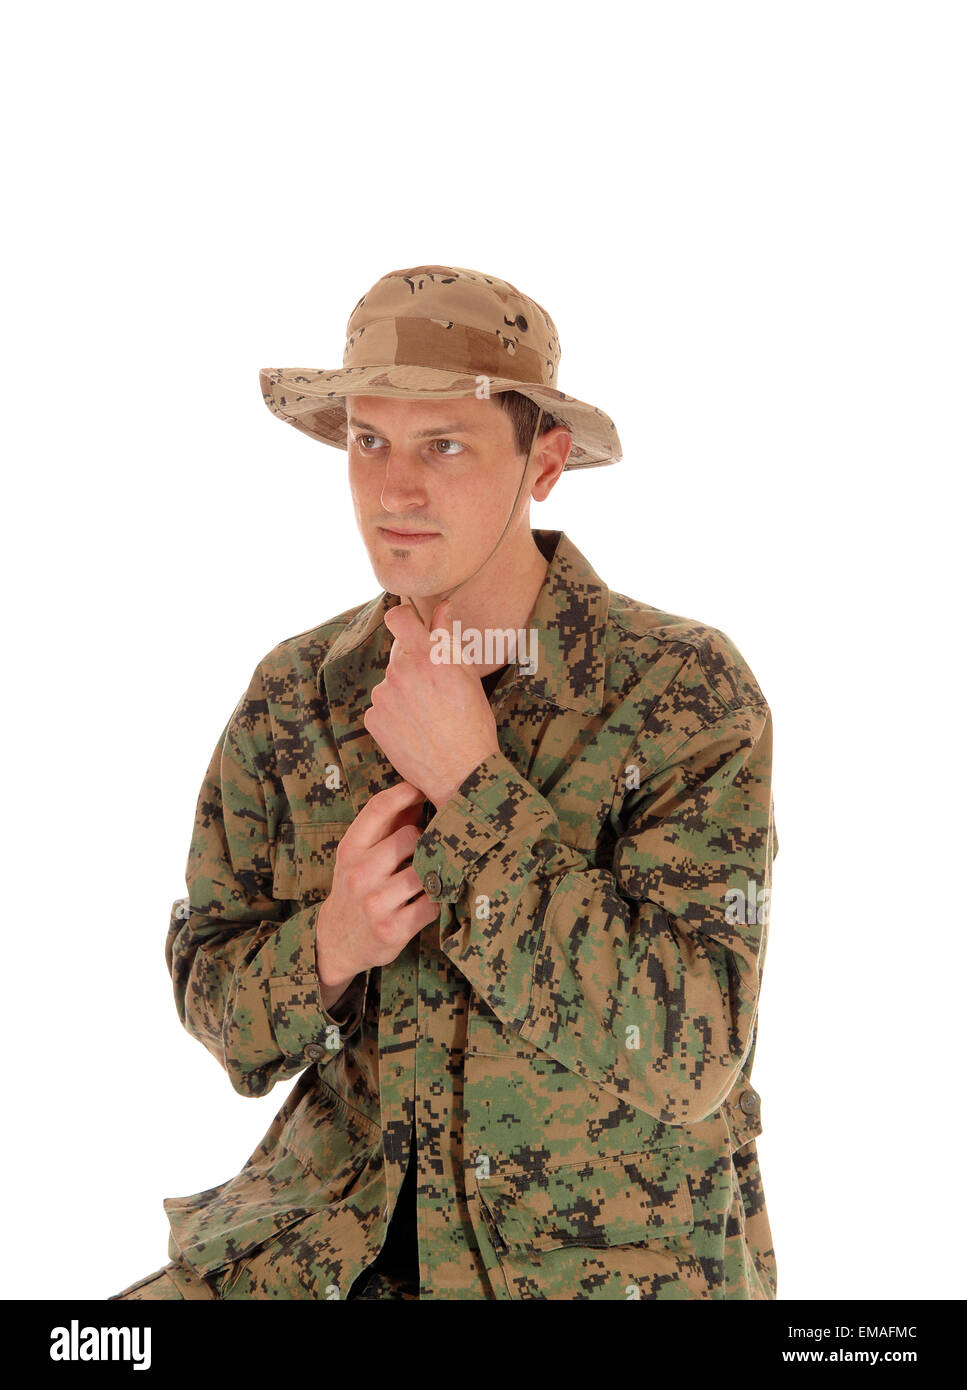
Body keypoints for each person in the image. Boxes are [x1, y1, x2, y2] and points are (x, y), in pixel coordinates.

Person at [109, 264, 778, 1301]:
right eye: (368, 441)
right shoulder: (296, 695)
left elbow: (692, 1052)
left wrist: (475, 790)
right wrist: (329, 946)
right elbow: (217, 997)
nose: (394, 487)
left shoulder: (680, 692)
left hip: (601, 1267)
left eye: (446, 445)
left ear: (544, 462)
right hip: (321, 1247)